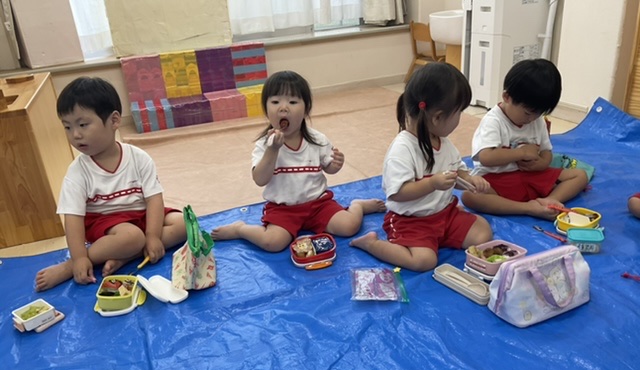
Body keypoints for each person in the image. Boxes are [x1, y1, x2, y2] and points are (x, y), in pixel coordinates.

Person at [35, 77, 186, 291]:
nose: (75, 134)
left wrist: (153, 236)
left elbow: (154, 200)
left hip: (142, 214)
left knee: (185, 223)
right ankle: (71, 266)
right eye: (67, 127)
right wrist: (78, 258)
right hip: (107, 223)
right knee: (132, 236)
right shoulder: (77, 171)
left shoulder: (139, 157)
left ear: (114, 120)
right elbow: (73, 218)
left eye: (83, 125)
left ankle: (127, 255)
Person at [210, 70, 385, 251]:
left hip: (318, 204)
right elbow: (260, 179)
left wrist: (335, 165)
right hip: (283, 209)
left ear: (306, 109)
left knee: (349, 226)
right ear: (266, 109)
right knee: (272, 242)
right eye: (275, 102)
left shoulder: (317, 140)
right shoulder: (265, 144)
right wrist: (272, 150)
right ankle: (240, 229)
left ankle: (357, 205)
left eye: (292, 102)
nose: (283, 108)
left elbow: (329, 167)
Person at [350, 63, 493, 272]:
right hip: (411, 221)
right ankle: (372, 244)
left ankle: (438, 238)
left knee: (482, 232)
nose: (460, 119)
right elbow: (397, 193)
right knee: (423, 261)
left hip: (444, 214)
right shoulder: (403, 149)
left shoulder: (443, 142)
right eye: (459, 113)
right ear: (437, 117)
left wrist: (470, 180)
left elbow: (457, 171)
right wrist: (432, 184)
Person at [461, 59, 589, 220]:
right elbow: (486, 157)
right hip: (498, 178)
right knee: (470, 195)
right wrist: (520, 153)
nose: (531, 119)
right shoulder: (493, 121)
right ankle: (528, 208)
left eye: (538, 113)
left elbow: (546, 153)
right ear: (507, 97)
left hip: (530, 176)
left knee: (580, 175)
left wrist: (541, 164)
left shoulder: (536, 120)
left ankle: (550, 201)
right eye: (527, 113)